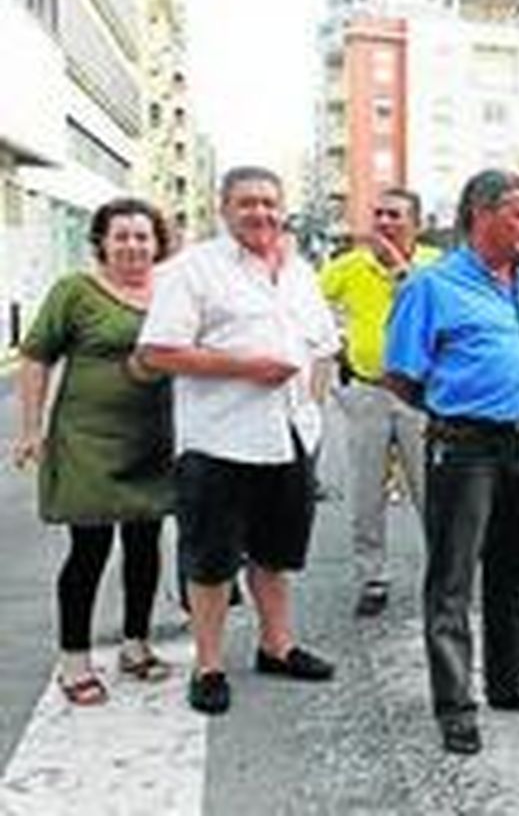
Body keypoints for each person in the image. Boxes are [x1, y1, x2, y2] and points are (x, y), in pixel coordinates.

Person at [137, 166, 342, 715]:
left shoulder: (299, 270)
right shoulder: (191, 270)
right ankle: (209, 664)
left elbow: (323, 344)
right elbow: (156, 352)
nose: (261, 214)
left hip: (290, 436)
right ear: (223, 208)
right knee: (211, 560)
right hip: (218, 441)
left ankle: (277, 645)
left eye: (270, 204)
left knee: (276, 553)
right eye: (247, 203)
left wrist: (314, 414)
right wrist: (244, 367)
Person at [383, 168, 519, 755]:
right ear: (479, 216)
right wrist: (455, 411)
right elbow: (401, 375)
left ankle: (511, 680)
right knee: (454, 577)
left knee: (517, 568)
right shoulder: (432, 287)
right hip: (464, 446)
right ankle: (456, 704)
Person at [11, 198, 177, 705]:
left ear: (157, 244)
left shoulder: (171, 292)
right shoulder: (74, 292)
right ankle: (75, 661)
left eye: (142, 237)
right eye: (121, 236)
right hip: (87, 442)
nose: (132, 245)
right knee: (90, 551)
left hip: (155, 440)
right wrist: (31, 428)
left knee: (146, 547)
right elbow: (36, 357)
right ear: (102, 242)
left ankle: (136, 645)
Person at [318, 187, 441, 617]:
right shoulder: (348, 266)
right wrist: (334, 340)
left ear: (417, 223)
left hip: (421, 395)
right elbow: (309, 307)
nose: (385, 223)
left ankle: (443, 576)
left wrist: (399, 269)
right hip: (368, 390)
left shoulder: (435, 265)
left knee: (432, 491)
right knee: (366, 492)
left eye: (395, 215)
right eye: (378, 214)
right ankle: (372, 578)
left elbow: (443, 313)